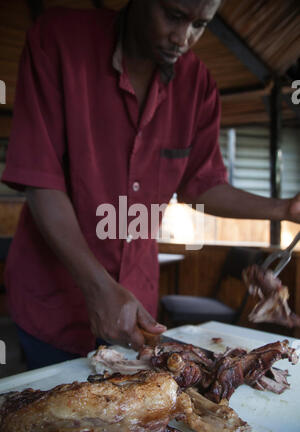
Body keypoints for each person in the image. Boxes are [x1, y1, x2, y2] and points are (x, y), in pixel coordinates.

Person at [2, 0, 300, 369]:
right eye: (174, 16)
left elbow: (202, 185)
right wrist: (97, 288)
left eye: (200, 25)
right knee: (56, 417)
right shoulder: (57, 41)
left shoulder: (199, 86)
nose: (183, 38)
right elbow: (40, 180)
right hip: (53, 304)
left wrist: (286, 209)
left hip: (136, 307)